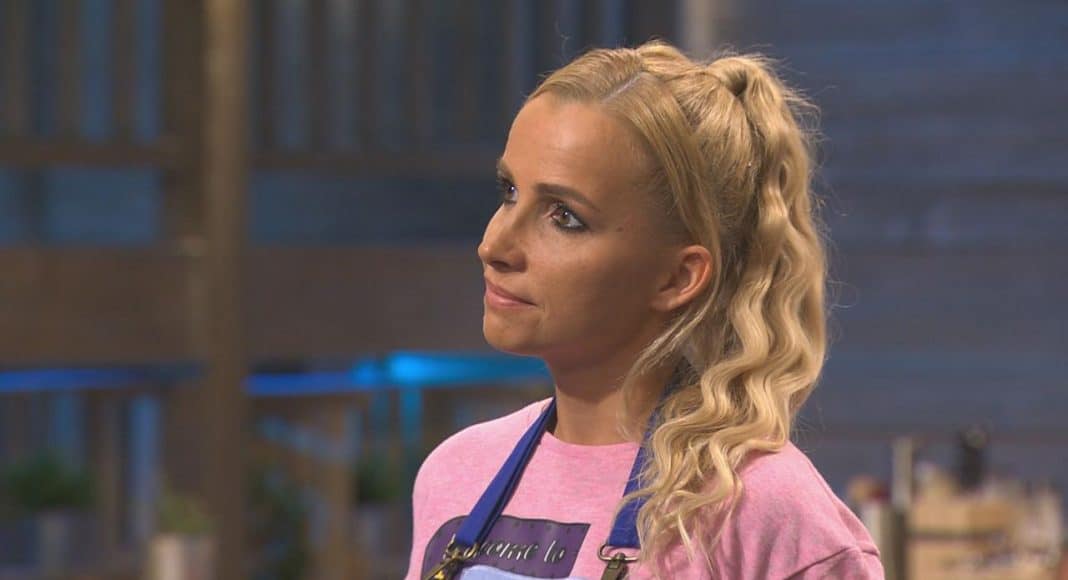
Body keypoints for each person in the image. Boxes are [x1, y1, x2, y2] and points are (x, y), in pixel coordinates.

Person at [405, 40, 884, 580]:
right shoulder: (457, 473)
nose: (494, 246)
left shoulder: (762, 512)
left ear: (677, 277)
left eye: (564, 216)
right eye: (509, 191)